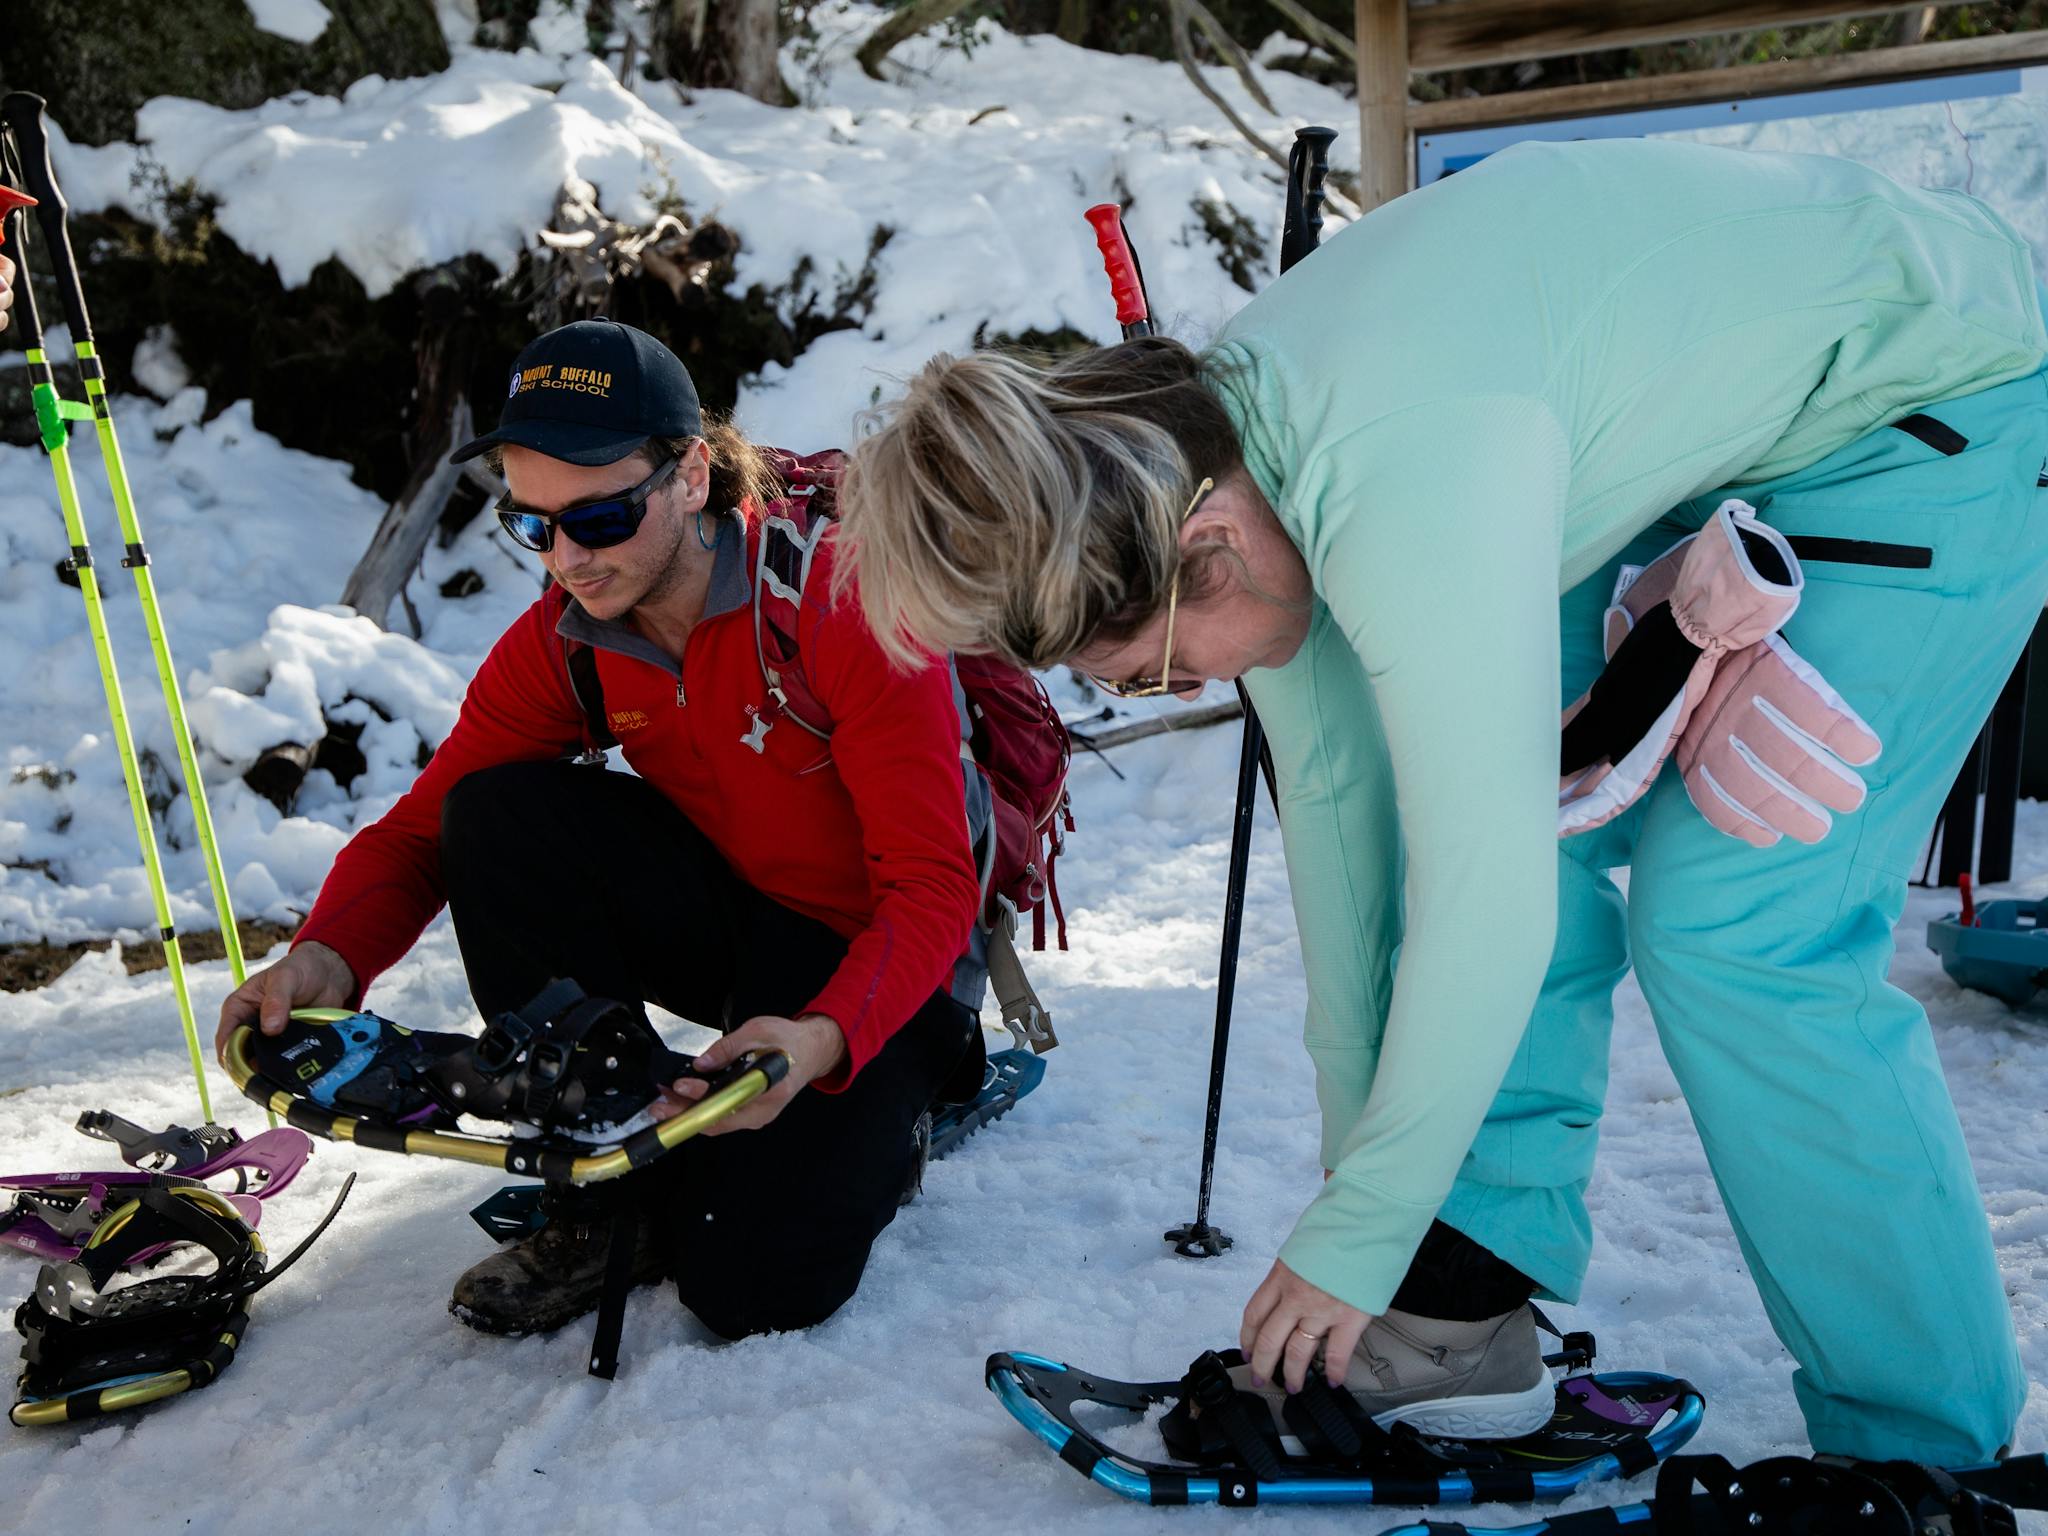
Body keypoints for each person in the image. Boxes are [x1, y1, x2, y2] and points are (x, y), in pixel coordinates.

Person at [836, 138, 2046, 1461]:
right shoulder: (1213, 468)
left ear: (1208, 550)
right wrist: (1376, 1224)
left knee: (1739, 931)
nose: (1163, 690)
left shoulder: (1395, 470)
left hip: (1940, 394)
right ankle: (1457, 1316)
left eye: (1148, 668)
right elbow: (1353, 853)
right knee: (1482, 835)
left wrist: (1358, 1234)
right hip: (1689, 428)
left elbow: (1489, 897)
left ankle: (1921, 1442)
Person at [217, 318, 987, 1342]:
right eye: (531, 526)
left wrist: (821, 1037)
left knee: (750, 1289)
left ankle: (908, 1101)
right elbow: (420, 831)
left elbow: (934, 886)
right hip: (735, 910)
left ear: (693, 475)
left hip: (877, 959)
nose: (567, 559)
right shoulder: (569, 637)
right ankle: (602, 1180)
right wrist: (327, 955)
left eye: (602, 517)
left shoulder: (845, 600)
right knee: (494, 814)